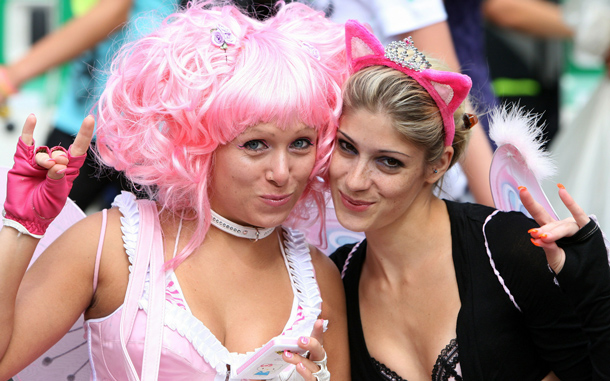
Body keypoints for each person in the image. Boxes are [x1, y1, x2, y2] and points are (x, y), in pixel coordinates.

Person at [0, 2, 350, 380]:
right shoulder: (112, 246)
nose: (283, 173)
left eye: (300, 143)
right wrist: (23, 227)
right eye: (255, 144)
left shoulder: (318, 278)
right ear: (199, 145)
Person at [329, 20, 610, 380]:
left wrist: (594, 290)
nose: (354, 180)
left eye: (389, 162)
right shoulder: (336, 278)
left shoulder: (505, 247)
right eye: (346, 147)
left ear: (438, 164)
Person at [0, 0, 179, 212]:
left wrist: (12, 75)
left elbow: (114, 11)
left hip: (146, 127)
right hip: (86, 111)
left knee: (35, 218)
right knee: (34, 218)